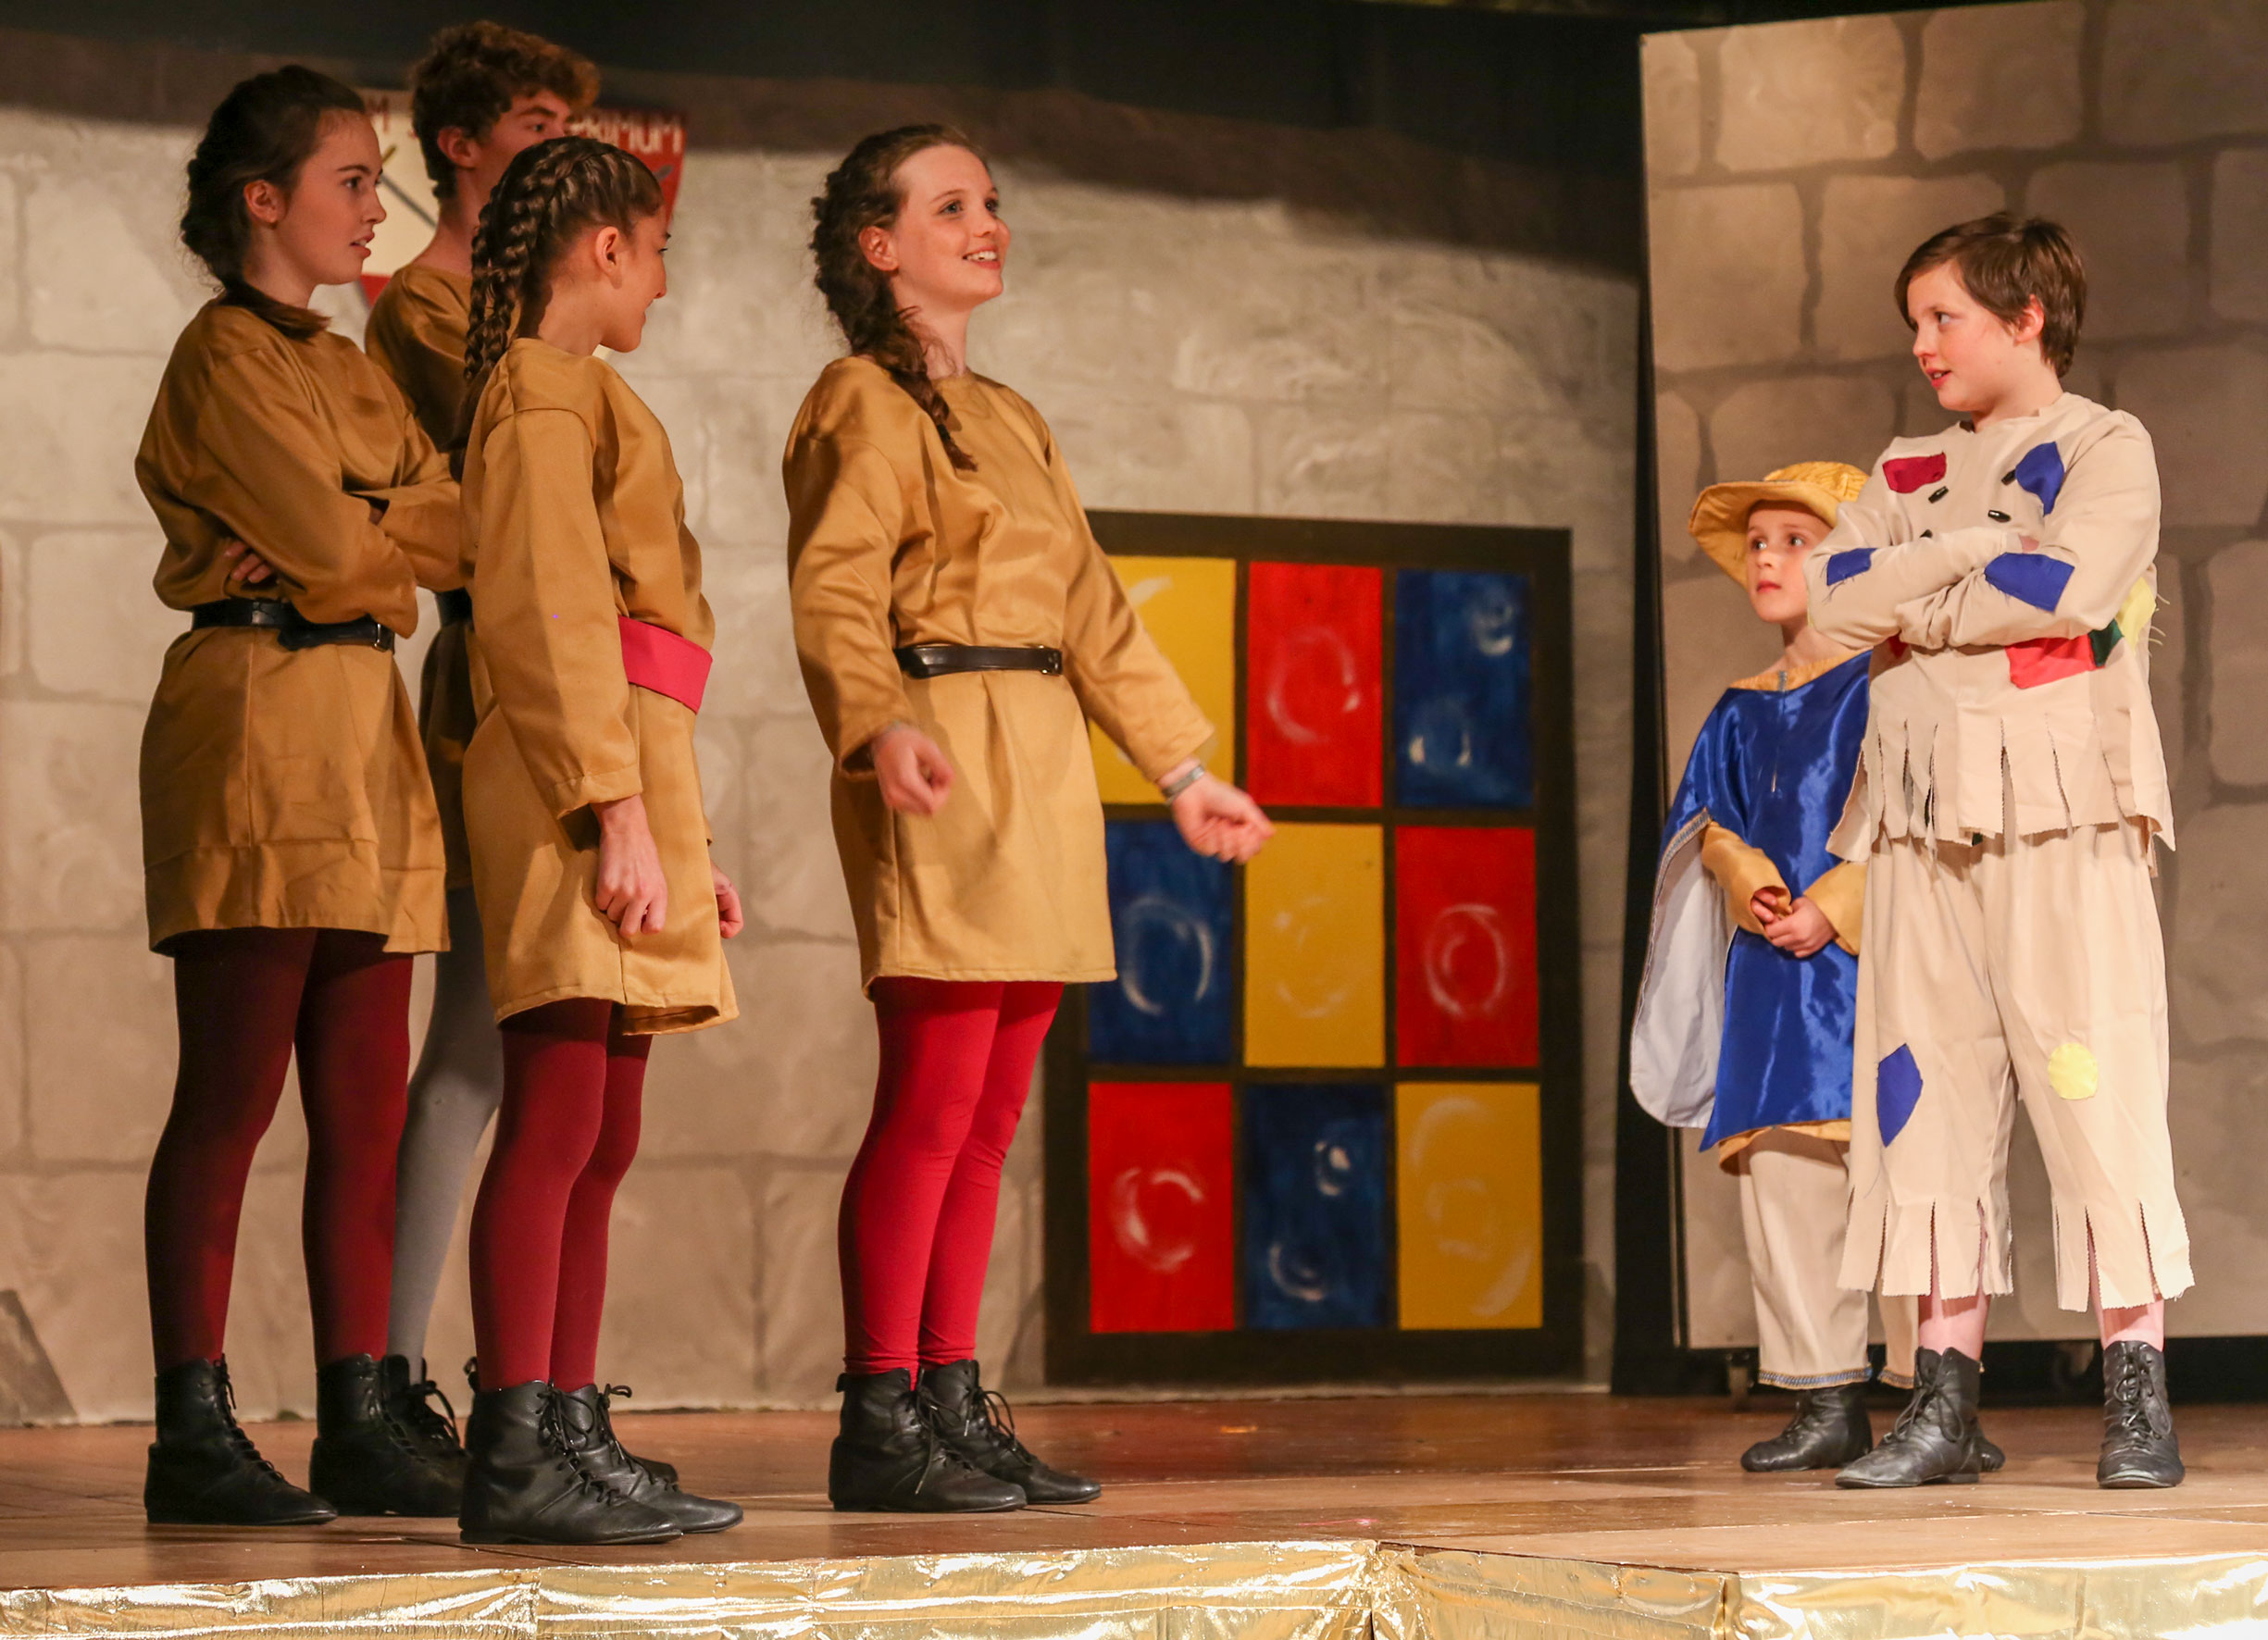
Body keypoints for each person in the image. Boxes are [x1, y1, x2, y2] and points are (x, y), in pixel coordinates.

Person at [786, 125, 1275, 1514]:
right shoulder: (854, 401)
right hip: (939, 742)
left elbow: (1093, 609)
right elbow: (833, 585)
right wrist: (876, 720)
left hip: (1042, 758)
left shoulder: (1011, 413)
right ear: (880, 245)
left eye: (991, 202)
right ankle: (878, 1411)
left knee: (991, 1116)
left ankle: (951, 1391)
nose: (986, 224)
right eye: (951, 207)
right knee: (931, 1101)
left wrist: (1183, 769)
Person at [1803, 214, 2187, 1489]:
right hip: (1920, 820)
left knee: (2093, 1086)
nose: (1921, 346)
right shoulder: (1904, 463)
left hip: (2060, 814)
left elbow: (2067, 589)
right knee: (1922, 1096)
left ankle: (2135, 1394)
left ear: (2024, 319)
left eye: (1943, 318)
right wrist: (1970, 550)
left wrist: (1915, 595)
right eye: (1913, 322)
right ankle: (1941, 1403)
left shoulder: (2103, 446)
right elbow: (1832, 599)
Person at [135, 66, 464, 1525]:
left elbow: (453, 523)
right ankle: (191, 1429)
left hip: (362, 726)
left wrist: (363, 530)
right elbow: (333, 553)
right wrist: (369, 535)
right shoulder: (222, 356)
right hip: (257, 715)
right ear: (262, 199)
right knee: (231, 1096)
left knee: (362, 1108)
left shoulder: (349, 361)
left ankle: (358, 1414)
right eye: (351, 179)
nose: (374, 206)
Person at [454, 133, 742, 1546]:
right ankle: (516, 1445)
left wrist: (677, 830)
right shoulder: (536, 394)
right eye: (658, 252)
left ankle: (568, 1424)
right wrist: (615, 810)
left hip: (629, 768)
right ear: (607, 247)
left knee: (605, 1127)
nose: (665, 284)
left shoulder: (584, 394)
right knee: (558, 1112)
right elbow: (553, 610)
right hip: (573, 778)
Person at [1633, 463, 2009, 1475]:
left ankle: (1937, 1398)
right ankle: (1822, 1394)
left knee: (1906, 1172)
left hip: (1876, 959)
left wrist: (1834, 905)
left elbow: (1924, 813)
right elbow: (1707, 820)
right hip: (1773, 974)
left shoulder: (1892, 680)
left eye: (1794, 541)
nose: (1767, 559)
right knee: (1784, 1172)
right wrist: (1748, 878)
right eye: (1758, 543)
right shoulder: (1739, 708)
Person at [362, 19, 599, 1474]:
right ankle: (393, 1371)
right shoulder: (431, 308)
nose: (560, 148)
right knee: (468, 1040)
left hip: (556, 668)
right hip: (486, 669)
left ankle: (511, 1381)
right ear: (459, 145)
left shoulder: (533, 320)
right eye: (533, 124)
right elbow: (502, 481)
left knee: (509, 1051)